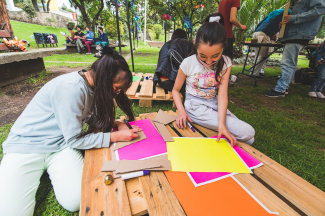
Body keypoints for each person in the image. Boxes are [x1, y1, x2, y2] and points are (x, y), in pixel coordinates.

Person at [0, 46, 142, 215]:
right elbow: (75, 139)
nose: (117, 93)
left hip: (61, 145)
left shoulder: (89, 85)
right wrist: (115, 136)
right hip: (27, 146)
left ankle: (50, 172)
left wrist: (115, 123)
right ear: (104, 79)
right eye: (116, 88)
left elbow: (85, 116)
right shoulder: (71, 89)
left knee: (75, 200)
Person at [172, 17, 255, 147]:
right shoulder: (188, 63)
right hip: (194, 106)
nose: (209, 62)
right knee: (249, 132)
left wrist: (222, 124)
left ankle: (212, 126)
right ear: (196, 46)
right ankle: (207, 124)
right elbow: (175, 90)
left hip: (214, 103)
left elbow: (222, 95)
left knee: (250, 139)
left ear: (223, 49)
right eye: (203, 56)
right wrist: (182, 111)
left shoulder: (226, 62)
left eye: (215, 56)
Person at [266, 0, 325, 98]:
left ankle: (280, 89)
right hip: (295, 33)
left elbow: (320, 9)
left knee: (288, 63)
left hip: (299, 34)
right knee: (289, 63)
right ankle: (283, 88)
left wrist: (293, 18)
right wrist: (286, 25)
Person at [252, 9, 291, 77]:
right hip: (264, 33)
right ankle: (255, 73)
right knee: (263, 55)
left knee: (258, 55)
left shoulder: (275, 12)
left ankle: (254, 72)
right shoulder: (288, 13)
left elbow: (260, 23)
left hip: (257, 32)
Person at [154, 28, 193, 93]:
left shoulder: (166, 44)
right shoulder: (189, 45)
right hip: (180, 85)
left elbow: (159, 64)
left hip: (162, 82)